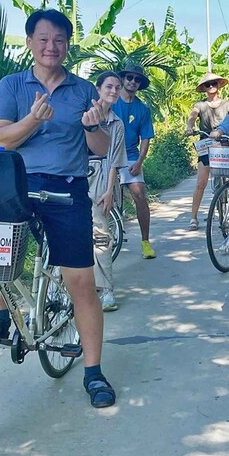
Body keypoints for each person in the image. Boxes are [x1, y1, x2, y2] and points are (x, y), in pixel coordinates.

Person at [0, 9, 116, 408]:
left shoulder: (82, 90)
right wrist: (32, 118)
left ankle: (93, 372)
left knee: (81, 282)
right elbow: (4, 139)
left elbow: (100, 150)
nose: (51, 46)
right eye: (43, 38)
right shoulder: (12, 85)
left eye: (59, 39)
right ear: (29, 42)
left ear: (68, 45)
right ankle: (3, 310)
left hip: (67, 189)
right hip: (18, 185)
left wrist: (93, 126)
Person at [89, 71, 128, 311]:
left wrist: (110, 190)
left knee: (101, 236)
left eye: (117, 87)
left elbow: (114, 159)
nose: (113, 91)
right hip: (79, 174)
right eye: (109, 86)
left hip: (104, 178)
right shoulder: (86, 114)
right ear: (98, 88)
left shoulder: (117, 123)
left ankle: (107, 290)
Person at [112, 63, 157, 259]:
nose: (133, 82)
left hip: (131, 156)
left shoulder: (142, 109)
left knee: (139, 195)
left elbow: (146, 137)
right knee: (105, 199)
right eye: (129, 77)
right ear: (123, 79)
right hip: (107, 155)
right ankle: (108, 238)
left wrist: (139, 161)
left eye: (137, 79)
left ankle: (145, 242)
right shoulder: (110, 102)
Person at [185, 71, 229, 230]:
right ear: (204, 88)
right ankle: (193, 217)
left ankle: (227, 213)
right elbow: (192, 116)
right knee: (201, 182)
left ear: (219, 85)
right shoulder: (200, 105)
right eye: (208, 84)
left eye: (214, 83)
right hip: (206, 144)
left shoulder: (227, 104)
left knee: (228, 181)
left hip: (224, 144)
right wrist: (189, 127)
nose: (211, 86)